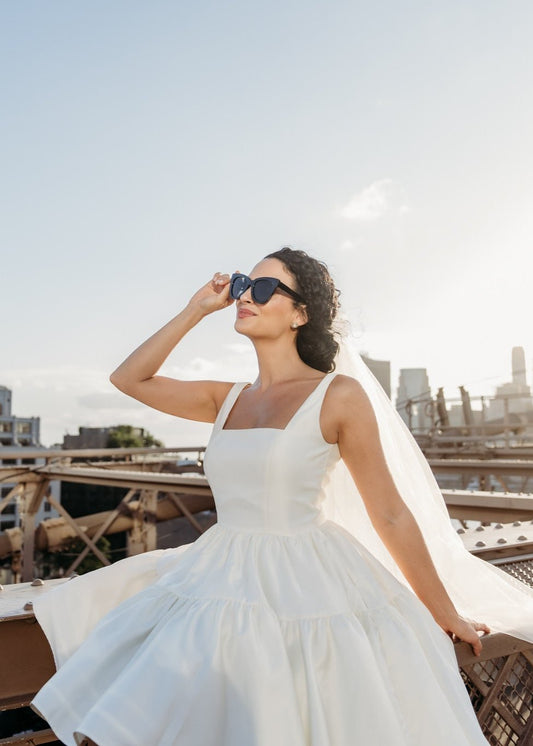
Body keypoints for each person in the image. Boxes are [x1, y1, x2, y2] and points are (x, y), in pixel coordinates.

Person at [31, 246, 502, 745]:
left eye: (261, 288)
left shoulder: (338, 395)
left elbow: (389, 512)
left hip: (311, 582)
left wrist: (444, 613)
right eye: (242, 284)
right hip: (217, 571)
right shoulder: (227, 398)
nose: (244, 297)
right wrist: (197, 309)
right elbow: (128, 379)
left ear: (300, 314)